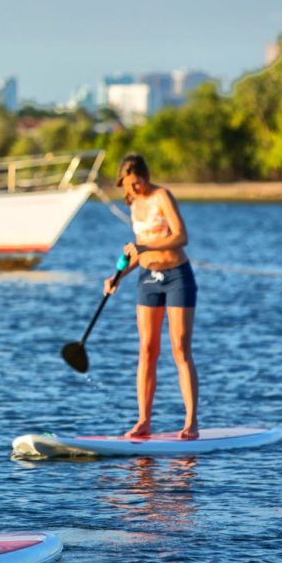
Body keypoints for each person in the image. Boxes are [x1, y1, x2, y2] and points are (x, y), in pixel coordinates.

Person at [104, 153, 199, 440]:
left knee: (180, 349)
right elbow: (137, 252)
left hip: (176, 277)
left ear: (145, 176)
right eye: (128, 185)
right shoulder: (134, 204)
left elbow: (181, 236)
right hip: (147, 279)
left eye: (138, 183)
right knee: (147, 349)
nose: (134, 189)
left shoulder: (162, 196)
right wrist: (117, 276)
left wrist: (143, 245)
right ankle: (143, 421)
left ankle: (191, 422)